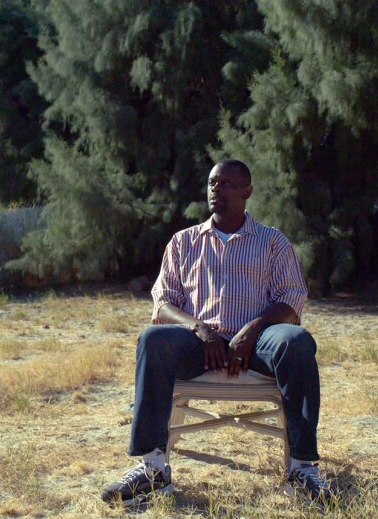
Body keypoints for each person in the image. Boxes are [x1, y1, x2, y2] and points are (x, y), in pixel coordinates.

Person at [100, 159, 334, 507]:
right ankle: (152, 469)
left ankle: (301, 469)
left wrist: (253, 330)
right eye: (212, 183)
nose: (216, 189)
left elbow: (292, 297)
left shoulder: (272, 242)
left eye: (225, 183)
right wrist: (199, 328)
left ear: (247, 191)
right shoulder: (184, 241)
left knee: (297, 341)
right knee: (152, 339)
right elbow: (163, 302)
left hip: (257, 344)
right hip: (199, 343)